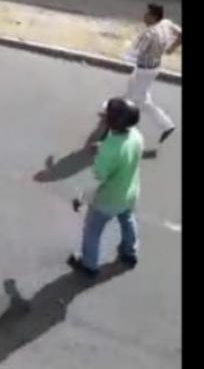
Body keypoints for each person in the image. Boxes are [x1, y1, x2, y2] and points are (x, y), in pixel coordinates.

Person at [68, 97, 143, 277]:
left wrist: (81, 199)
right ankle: (129, 253)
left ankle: (89, 264)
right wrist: (103, 146)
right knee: (127, 220)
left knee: (92, 230)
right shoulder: (136, 136)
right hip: (130, 192)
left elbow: (97, 180)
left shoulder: (109, 151)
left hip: (108, 200)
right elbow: (123, 151)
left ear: (112, 122)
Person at [97, 3, 181, 150]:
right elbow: (180, 33)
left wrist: (122, 53)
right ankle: (166, 125)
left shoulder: (148, 34)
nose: (144, 16)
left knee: (132, 102)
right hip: (154, 68)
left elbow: (134, 54)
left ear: (154, 16)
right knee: (138, 96)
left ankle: (108, 134)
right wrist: (171, 48)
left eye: (147, 14)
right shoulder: (167, 24)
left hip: (143, 70)